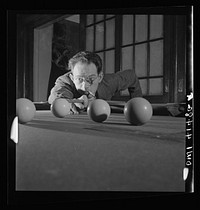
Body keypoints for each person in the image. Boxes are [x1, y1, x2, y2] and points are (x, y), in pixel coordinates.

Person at [48, 51, 142, 114]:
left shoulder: (109, 82)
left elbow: (131, 76)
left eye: (91, 79)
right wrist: (68, 103)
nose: (85, 87)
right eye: (80, 79)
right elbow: (56, 96)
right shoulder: (65, 81)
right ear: (72, 78)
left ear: (100, 77)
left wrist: (137, 105)